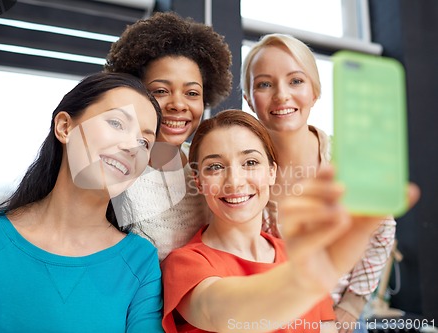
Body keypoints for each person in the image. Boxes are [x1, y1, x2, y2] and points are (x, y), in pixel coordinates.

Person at [0, 72, 164, 332]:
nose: (131, 147)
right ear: (65, 127)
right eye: (116, 123)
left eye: (144, 141)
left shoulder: (140, 261)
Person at [161, 110, 420, 333]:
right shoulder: (186, 263)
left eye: (250, 162)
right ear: (198, 181)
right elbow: (217, 311)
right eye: (215, 167)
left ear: (271, 173)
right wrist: (302, 280)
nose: (235, 182)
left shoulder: (298, 256)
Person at [241, 33, 397, 332]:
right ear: (249, 97)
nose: (281, 94)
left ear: (315, 91)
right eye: (264, 84)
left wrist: (352, 304)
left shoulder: (347, 158)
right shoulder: (243, 166)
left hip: (337, 321)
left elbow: (382, 230)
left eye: (296, 80)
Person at [104, 11, 233, 260]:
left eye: (192, 93)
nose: (178, 104)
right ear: (136, 92)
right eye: (161, 90)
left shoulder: (207, 166)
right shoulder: (113, 170)